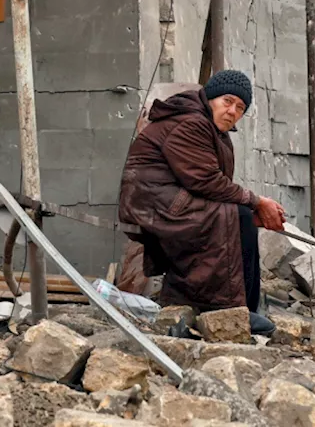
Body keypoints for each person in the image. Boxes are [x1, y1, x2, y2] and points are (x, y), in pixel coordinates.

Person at [118, 70, 286, 335]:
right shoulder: (191, 123)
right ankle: (228, 307)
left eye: (240, 107)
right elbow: (205, 180)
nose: (232, 111)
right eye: (227, 101)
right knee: (236, 217)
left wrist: (250, 206)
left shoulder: (210, 128)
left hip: (172, 199)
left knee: (239, 216)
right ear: (210, 98)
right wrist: (257, 201)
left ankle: (243, 310)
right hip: (154, 202)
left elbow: (210, 182)